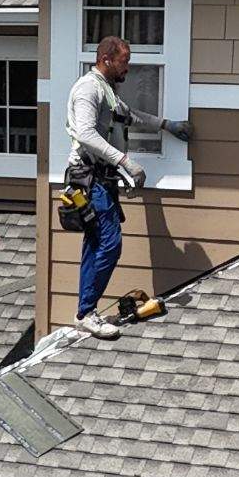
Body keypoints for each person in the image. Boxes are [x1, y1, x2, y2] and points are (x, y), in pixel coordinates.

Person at [63, 36, 190, 340]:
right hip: (89, 178)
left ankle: (84, 312)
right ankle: (86, 314)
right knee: (109, 244)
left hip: (101, 180)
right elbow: (85, 133)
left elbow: (129, 116)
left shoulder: (107, 90)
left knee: (96, 244)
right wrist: (126, 162)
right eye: (124, 61)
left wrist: (166, 125)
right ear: (106, 59)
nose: (128, 68)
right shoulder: (88, 89)